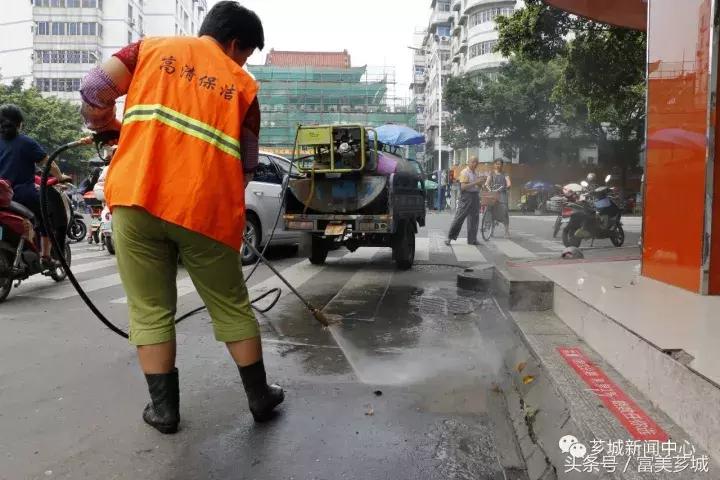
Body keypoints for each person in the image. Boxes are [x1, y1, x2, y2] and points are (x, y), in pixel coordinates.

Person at [79, 1, 282, 434]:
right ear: (233, 44)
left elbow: (95, 85)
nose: (243, 64)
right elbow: (246, 163)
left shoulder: (148, 49)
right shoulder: (243, 87)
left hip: (136, 199)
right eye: (244, 54)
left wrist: (105, 124)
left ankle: (165, 412)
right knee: (230, 305)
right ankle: (260, 398)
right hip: (204, 211)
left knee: (150, 309)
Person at [0, 104, 64, 268]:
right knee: (45, 220)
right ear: (20, 123)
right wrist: (60, 177)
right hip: (22, 195)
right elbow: (48, 164)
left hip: (1, 197)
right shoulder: (26, 142)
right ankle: (46, 256)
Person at [445, 156, 484, 245]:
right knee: (459, 217)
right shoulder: (464, 172)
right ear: (468, 162)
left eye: (476, 162)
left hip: (475, 196)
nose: (475, 164)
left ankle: (472, 239)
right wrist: (476, 183)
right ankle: (450, 238)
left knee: (474, 219)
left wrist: (481, 184)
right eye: (473, 162)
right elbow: (463, 187)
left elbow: (476, 185)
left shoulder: (475, 173)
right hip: (466, 197)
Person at [485, 159, 512, 238]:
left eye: (500, 164)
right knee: (491, 211)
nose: (498, 165)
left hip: (502, 194)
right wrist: (489, 189)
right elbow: (487, 183)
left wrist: (508, 186)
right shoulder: (491, 173)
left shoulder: (505, 174)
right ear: (494, 165)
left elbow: (508, 182)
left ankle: (506, 232)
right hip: (493, 194)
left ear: (502, 165)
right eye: (496, 164)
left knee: (504, 212)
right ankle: (491, 231)